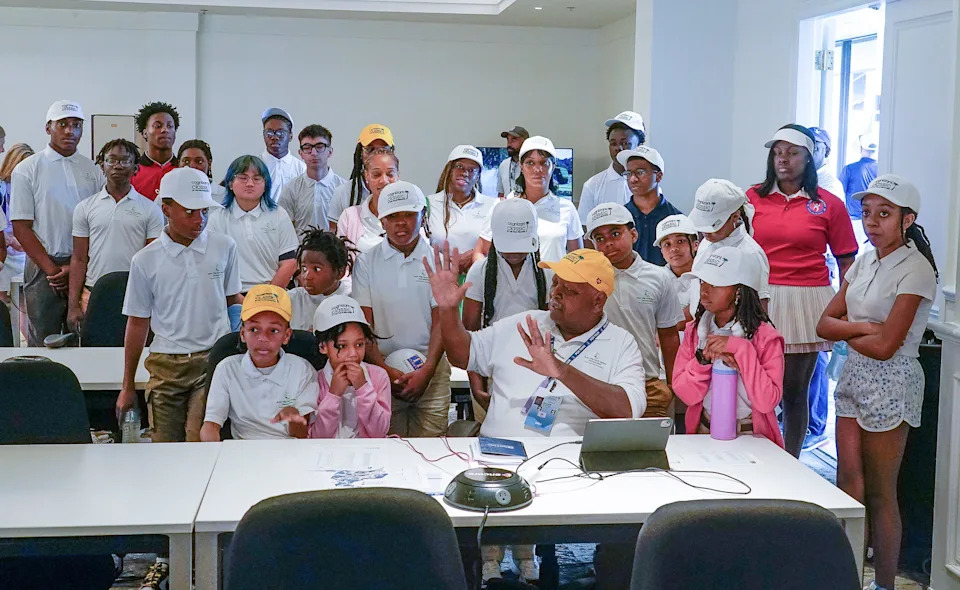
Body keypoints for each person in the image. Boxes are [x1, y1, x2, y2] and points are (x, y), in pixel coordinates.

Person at [816, 175, 937, 590]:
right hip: (853, 375)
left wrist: (853, 330)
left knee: (883, 491)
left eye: (884, 214)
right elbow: (823, 324)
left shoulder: (917, 269)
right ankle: (847, 576)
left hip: (893, 381)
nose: (872, 223)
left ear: (908, 220)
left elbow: (889, 347)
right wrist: (865, 326)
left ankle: (884, 583)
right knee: (848, 482)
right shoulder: (865, 260)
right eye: (867, 213)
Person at [428, 244, 646, 438]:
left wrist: (561, 371)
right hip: (496, 456)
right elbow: (461, 355)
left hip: (567, 464)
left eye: (569, 290)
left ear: (598, 301)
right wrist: (448, 311)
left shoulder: (621, 343)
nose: (555, 294)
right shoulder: (524, 322)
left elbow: (626, 410)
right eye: (555, 284)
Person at [746, 123, 858, 457]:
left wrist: (845, 307)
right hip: (760, 298)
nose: (783, 160)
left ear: (809, 159)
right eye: (778, 153)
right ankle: (756, 456)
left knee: (795, 390)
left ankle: (790, 461)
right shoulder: (751, 198)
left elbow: (847, 261)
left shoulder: (829, 205)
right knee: (755, 386)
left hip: (807, 298)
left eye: (793, 153)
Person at [117, 167, 241, 441]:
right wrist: (127, 385)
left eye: (205, 212)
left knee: (198, 439)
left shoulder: (224, 247)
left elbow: (234, 303)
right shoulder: (145, 260)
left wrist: (235, 350)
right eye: (189, 212)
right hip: (165, 364)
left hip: (211, 359)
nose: (200, 220)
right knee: (165, 444)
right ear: (166, 209)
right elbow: (138, 322)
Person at [352, 181, 450, 437]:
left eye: (409, 214)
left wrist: (427, 371)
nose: (401, 223)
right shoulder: (366, 263)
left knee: (432, 450)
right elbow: (365, 325)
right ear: (381, 221)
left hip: (432, 368)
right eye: (392, 216)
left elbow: (442, 320)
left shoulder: (438, 260)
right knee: (388, 451)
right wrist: (384, 371)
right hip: (381, 368)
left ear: (423, 215)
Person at [11, 100, 105, 346]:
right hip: (44, 267)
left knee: (82, 335)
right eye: (62, 124)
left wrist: (75, 269)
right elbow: (21, 227)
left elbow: (98, 221)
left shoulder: (92, 169)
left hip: (85, 264)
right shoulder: (27, 169)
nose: (70, 131)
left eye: (76, 125)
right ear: (48, 128)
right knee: (44, 337)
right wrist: (53, 271)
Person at [671, 246, 785, 447]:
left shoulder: (766, 337)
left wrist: (742, 350)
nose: (704, 291)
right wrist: (703, 359)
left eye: (715, 284)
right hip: (704, 431)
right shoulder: (695, 331)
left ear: (739, 290)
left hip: (753, 437)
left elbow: (767, 402)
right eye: (702, 282)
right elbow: (686, 395)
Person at [586, 203, 683, 418]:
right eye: (599, 239)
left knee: (652, 449)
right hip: (597, 382)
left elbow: (669, 337)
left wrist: (675, 386)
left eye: (615, 233)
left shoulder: (659, 277)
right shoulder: (586, 280)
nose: (609, 243)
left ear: (633, 234)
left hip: (647, 382)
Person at [463, 198, 547, 421]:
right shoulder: (480, 271)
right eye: (508, 247)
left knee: (536, 431)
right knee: (494, 432)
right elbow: (470, 332)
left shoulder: (547, 273)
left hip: (538, 371)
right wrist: (476, 383)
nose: (514, 253)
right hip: (492, 368)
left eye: (520, 247)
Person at [67, 139, 163, 333]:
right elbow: (78, 258)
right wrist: (73, 305)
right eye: (111, 160)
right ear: (102, 165)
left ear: (136, 168)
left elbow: (154, 261)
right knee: (94, 351)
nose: (118, 165)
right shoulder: (85, 208)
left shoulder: (150, 209)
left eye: (125, 160)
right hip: (93, 293)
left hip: (136, 295)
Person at [200, 285, 319, 441]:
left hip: (288, 451)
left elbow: (301, 434)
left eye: (274, 330)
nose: (263, 338)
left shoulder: (302, 370)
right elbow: (211, 425)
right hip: (242, 452)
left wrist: (294, 418)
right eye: (254, 329)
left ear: (287, 335)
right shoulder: (227, 369)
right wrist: (213, 456)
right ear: (243, 334)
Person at [478, 136, 583, 264]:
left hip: (554, 283)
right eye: (530, 163)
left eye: (544, 163)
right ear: (521, 166)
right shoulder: (502, 206)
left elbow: (577, 258)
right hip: (509, 283)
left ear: (553, 166)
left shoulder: (566, 208)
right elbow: (481, 252)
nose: (537, 170)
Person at [206, 155, 299, 292]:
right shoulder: (217, 219)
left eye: (257, 179)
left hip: (273, 292)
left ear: (266, 184)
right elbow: (212, 266)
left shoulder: (279, 215)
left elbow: (289, 262)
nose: (250, 184)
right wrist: (234, 298)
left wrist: (266, 297)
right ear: (230, 183)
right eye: (243, 178)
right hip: (231, 296)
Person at [309, 295, 391, 438]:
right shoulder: (315, 381)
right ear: (323, 346)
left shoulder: (378, 376)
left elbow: (379, 432)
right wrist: (333, 395)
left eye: (359, 344)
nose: (353, 354)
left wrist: (363, 387)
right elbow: (318, 438)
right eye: (342, 346)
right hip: (329, 456)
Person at [687, 179, 770, 314]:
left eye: (713, 225)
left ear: (735, 216)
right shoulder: (707, 243)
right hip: (702, 328)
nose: (706, 232)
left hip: (733, 332)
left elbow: (760, 312)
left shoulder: (751, 254)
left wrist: (733, 336)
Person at [427, 145, 495, 274]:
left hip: (479, 282)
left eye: (472, 169)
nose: (464, 173)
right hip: (438, 281)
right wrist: (448, 262)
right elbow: (420, 246)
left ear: (478, 176)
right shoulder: (429, 204)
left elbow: (501, 246)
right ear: (449, 169)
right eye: (459, 167)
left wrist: (475, 254)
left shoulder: (492, 206)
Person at [617, 146, 681, 266]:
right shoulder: (619, 218)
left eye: (640, 172)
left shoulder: (675, 218)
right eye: (628, 173)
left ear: (658, 176)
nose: (633, 179)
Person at [577, 110, 645, 222]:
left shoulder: (648, 184)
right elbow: (585, 229)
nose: (618, 148)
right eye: (613, 143)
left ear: (639, 145)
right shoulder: (592, 186)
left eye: (625, 143)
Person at [278, 124, 346, 235]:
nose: (314, 153)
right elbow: (284, 231)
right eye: (307, 148)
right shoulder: (290, 189)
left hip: (335, 251)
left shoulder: (344, 189)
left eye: (319, 147)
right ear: (301, 154)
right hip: (301, 251)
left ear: (330, 151)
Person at [327, 124, 395, 227]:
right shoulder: (343, 193)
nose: (376, 154)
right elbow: (333, 236)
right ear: (360, 153)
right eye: (370, 149)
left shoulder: (403, 192)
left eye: (383, 150)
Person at [287, 228, 354, 331]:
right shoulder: (291, 299)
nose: (307, 276)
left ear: (340, 272)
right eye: (304, 268)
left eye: (316, 269)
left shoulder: (350, 300)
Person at [336, 147, 400, 253]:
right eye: (376, 175)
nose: (384, 181)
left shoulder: (411, 215)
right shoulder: (349, 216)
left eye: (390, 174)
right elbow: (341, 261)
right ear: (366, 176)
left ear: (398, 175)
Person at [0, 143, 34, 301]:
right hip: (5, 250)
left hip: (24, 252)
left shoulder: (32, 188)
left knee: (23, 299)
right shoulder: (2, 187)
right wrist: (9, 240)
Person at [654, 214, 699, 325]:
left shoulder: (709, 274)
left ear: (695, 245)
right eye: (667, 244)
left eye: (680, 241)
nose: (674, 249)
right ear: (661, 252)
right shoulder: (655, 279)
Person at [131, 101, 179, 200]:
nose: (165, 130)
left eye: (170, 126)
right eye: (158, 126)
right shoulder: (132, 170)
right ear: (145, 133)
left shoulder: (182, 169)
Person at [260, 107, 306, 202]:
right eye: (269, 132)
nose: (274, 137)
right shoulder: (254, 165)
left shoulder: (301, 168)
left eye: (281, 133)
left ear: (291, 135)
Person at [840, 133, 879, 221]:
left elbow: (839, 193)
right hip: (875, 219)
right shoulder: (881, 169)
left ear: (860, 148)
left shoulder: (850, 169)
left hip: (854, 219)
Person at [809, 127, 845, 200]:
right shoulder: (797, 179)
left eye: (815, 147)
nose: (809, 151)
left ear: (826, 150)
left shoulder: (831, 186)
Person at [497, 125, 529, 199]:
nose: (509, 144)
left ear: (525, 142)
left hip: (527, 208)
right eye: (508, 140)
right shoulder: (503, 165)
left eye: (513, 140)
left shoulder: (532, 166)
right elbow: (501, 194)